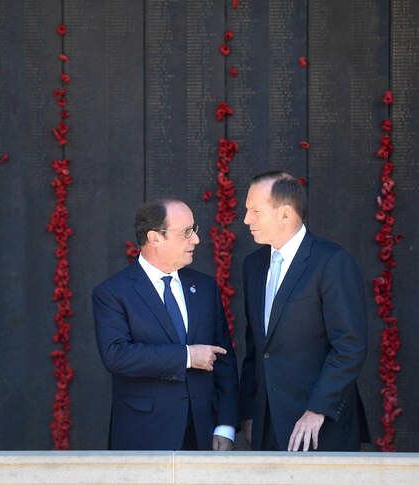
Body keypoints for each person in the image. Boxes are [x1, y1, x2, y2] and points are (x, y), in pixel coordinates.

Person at [93, 196, 239, 450]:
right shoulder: (113, 293)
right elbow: (116, 354)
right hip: (144, 435)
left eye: (194, 230)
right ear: (155, 238)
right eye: (186, 232)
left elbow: (224, 359)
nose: (196, 239)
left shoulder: (204, 287)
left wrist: (225, 425)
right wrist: (186, 356)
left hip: (203, 434)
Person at [239, 171, 370, 451]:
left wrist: (317, 410)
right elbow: (256, 348)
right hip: (266, 427)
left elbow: (349, 346)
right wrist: (249, 412)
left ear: (285, 214)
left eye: (255, 211)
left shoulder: (332, 262)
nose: (246, 219)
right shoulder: (253, 265)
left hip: (319, 427)